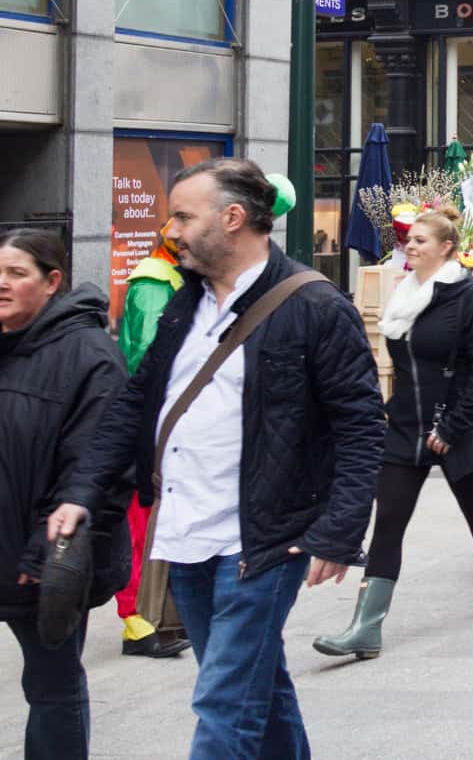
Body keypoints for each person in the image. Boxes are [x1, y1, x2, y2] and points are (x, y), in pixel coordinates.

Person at [58, 158, 383, 760]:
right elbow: (136, 404)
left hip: (264, 539)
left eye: (183, 215)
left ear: (233, 218)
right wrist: (80, 491)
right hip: (187, 532)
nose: (171, 229)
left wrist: (338, 531)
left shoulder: (315, 306)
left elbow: (363, 427)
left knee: (224, 699)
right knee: (258, 685)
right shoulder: (185, 303)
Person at [315, 208, 473, 659]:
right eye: (410, 239)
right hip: (405, 426)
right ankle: (366, 626)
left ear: (446, 247)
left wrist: (453, 425)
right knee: (389, 521)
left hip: (456, 424)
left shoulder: (470, 298)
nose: (412, 245)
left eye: (422, 240)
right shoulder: (405, 294)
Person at [0, 230, 131, 759]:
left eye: (15, 274)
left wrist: (45, 551)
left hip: (46, 559)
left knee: (51, 686)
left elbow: (98, 468)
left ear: (52, 282)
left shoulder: (90, 357)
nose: (1, 285)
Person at [111, 224, 188, 659]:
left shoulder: (182, 276)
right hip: (153, 420)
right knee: (141, 517)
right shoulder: (154, 279)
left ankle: (153, 610)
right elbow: (147, 354)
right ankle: (136, 617)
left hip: (168, 419)